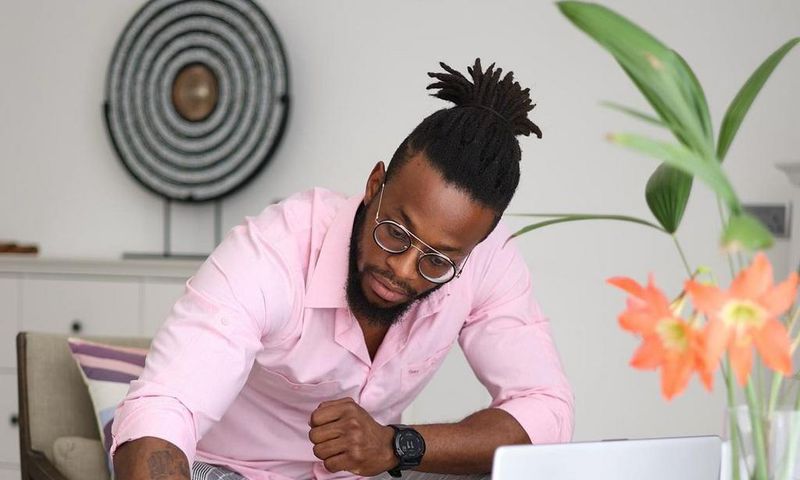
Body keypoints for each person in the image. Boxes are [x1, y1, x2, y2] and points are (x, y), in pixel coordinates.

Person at [111, 59, 573, 480]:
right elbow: (164, 407)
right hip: (233, 470)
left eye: (436, 261)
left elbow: (546, 409)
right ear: (375, 184)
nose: (403, 270)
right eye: (395, 232)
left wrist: (398, 445)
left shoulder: (486, 259)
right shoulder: (272, 253)